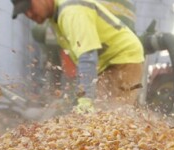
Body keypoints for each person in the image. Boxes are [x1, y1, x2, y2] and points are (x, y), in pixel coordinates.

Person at [11, 0, 145, 114]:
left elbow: (87, 56)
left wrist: (86, 99)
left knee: (114, 114)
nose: (29, 14)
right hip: (106, 64)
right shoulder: (56, 16)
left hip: (124, 59)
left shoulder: (71, 11)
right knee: (100, 114)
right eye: (24, 12)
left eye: (29, 7)